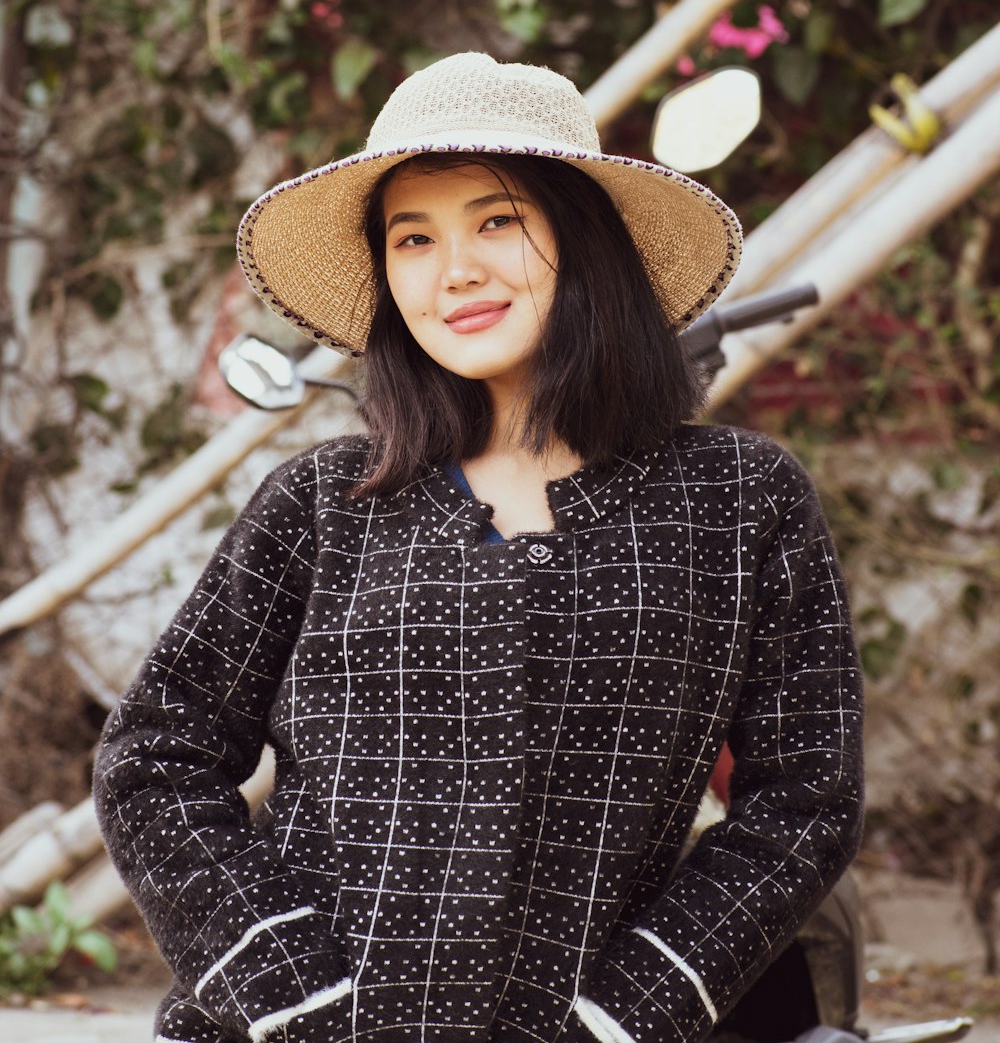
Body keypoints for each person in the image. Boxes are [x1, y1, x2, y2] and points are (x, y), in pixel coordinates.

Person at [93, 52, 864, 1043]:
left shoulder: (739, 503)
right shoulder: (324, 503)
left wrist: (622, 1016)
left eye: (496, 220)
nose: (453, 268)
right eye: (412, 237)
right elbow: (154, 761)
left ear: (582, 242)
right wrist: (298, 999)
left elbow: (805, 798)